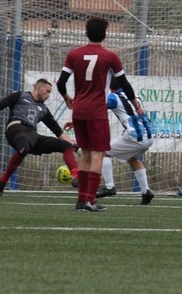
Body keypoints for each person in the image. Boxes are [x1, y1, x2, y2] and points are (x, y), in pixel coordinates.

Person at [56, 16, 144, 212]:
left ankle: (81, 201)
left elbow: (61, 82)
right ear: (105, 35)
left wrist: (66, 98)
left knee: (85, 154)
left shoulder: (74, 54)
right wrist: (136, 104)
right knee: (98, 154)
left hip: (79, 110)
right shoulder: (110, 56)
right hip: (97, 112)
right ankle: (90, 201)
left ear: (86, 33)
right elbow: (125, 85)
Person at [0, 78, 79, 196]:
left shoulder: (44, 109)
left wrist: (72, 145)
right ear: (39, 88)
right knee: (25, 146)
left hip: (32, 135)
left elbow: (58, 132)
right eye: (48, 91)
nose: (49, 95)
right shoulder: (19, 96)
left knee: (65, 146)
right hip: (15, 129)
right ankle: (3, 181)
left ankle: (76, 176)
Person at [95, 77, 155, 205]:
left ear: (109, 87)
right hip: (149, 137)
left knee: (104, 152)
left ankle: (109, 187)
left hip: (135, 137)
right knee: (133, 159)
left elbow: (98, 107)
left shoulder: (113, 97)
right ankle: (146, 191)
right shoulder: (135, 96)